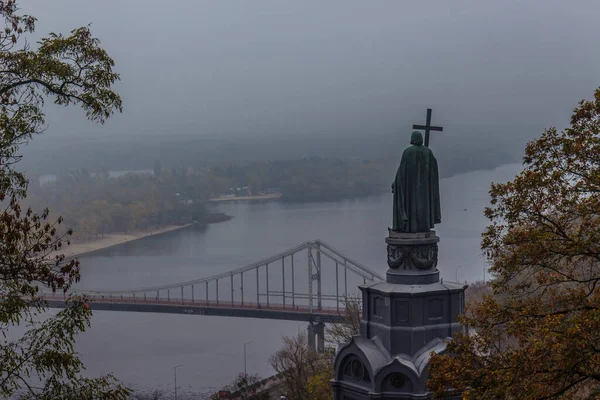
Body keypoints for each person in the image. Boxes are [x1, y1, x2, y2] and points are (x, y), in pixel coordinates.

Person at [391, 131, 441, 233]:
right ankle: (423, 225)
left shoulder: (408, 152)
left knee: (411, 204)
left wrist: (395, 183)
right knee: (423, 206)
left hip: (410, 189)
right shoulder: (428, 152)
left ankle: (410, 226)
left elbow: (401, 172)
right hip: (425, 189)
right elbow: (434, 171)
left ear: (413, 138)